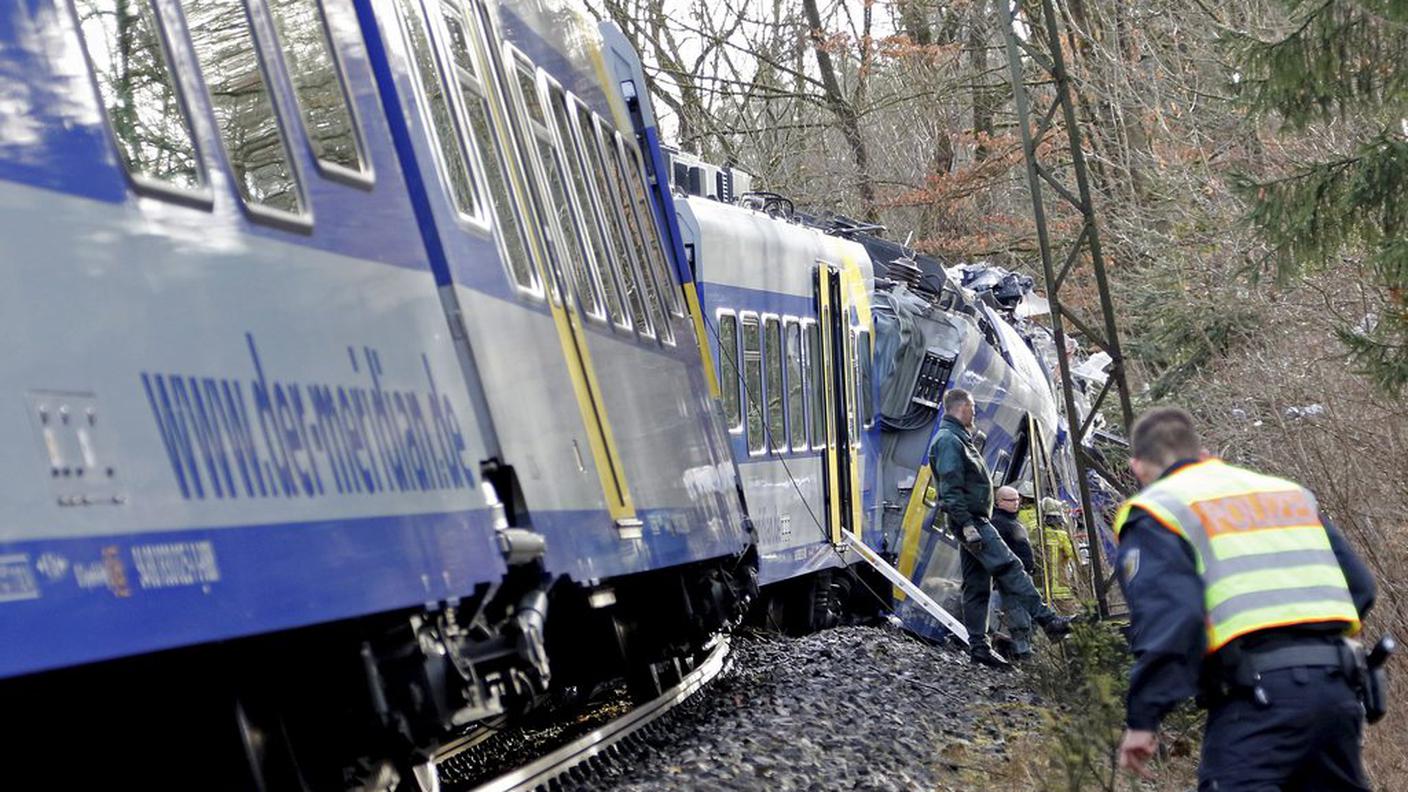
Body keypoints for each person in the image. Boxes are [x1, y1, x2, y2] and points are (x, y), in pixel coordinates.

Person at [1113, 407, 1376, 790]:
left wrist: (1144, 718)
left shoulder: (1160, 509)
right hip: (1337, 694)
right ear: (1202, 452)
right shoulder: (1285, 494)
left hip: (1257, 701)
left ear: (1137, 467)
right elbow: (1361, 587)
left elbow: (1174, 620)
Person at [929, 388, 1072, 667]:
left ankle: (979, 650)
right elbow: (950, 488)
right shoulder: (949, 441)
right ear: (961, 408)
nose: (974, 413)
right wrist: (968, 524)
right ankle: (1048, 620)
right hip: (973, 521)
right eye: (972, 407)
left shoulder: (958, 439)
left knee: (976, 586)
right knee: (1010, 567)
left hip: (970, 521)